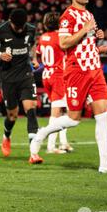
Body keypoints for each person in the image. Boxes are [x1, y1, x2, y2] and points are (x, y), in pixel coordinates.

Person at [30, 0, 107, 175]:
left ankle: (105, 164)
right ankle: (43, 133)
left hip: (95, 69)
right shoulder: (67, 17)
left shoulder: (89, 14)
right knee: (74, 119)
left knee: (103, 115)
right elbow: (64, 44)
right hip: (77, 71)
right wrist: (85, 30)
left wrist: (99, 46)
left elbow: (86, 44)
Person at [0, 8, 43, 164]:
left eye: (22, 27)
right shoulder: (0, 30)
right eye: (17, 28)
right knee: (12, 115)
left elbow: (33, 44)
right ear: (10, 21)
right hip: (7, 77)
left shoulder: (31, 29)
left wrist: (34, 58)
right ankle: (6, 136)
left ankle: (33, 153)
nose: (20, 30)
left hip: (26, 75)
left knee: (31, 109)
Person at [36, 12, 73, 154]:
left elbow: (38, 52)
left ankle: (64, 143)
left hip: (46, 75)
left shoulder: (43, 37)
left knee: (64, 110)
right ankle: (51, 146)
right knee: (57, 112)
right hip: (58, 75)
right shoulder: (60, 37)